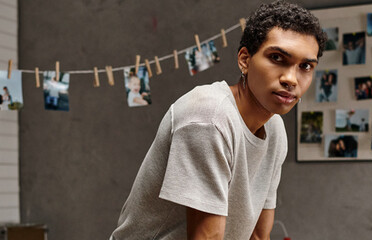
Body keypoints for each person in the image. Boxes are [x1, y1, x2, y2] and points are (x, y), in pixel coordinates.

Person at [110, 1, 325, 239]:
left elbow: (258, 235)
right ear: (245, 59)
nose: (291, 79)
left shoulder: (274, 129)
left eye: (305, 66)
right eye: (277, 57)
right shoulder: (209, 116)